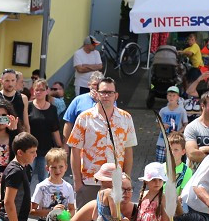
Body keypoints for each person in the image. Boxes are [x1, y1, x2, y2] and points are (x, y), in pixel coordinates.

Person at [68, 77, 137, 209]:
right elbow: (75, 150)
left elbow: (128, 150)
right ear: (97, 94)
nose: (106, 96)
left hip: (116, 182)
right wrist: (77, 182)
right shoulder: (84, 118)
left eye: (110, 92)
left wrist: (126, 178)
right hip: (89, 181)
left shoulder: (126, 118)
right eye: (103, 92)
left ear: (116, 95)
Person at [0, 132, 38, 221]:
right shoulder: (15, 171)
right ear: (20, 152)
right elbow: (8, 202)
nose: (35, 155)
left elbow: (1, 188)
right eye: (32, 152)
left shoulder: (22, 167)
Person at [26, 79, 63, 184]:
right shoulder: (28, 106)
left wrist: (60, 146)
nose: (38, 92)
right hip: (30, 148)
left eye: (42, 90)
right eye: (36, 90)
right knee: (27, 178)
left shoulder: (52, 109)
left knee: (45, 179)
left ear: (47, 91)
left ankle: (45, 200)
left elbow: (55, 129)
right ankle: (26, 200)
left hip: (46, 149)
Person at [31, 147, 76, 221]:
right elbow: (32, 211)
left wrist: (66, 216)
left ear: (66, 167)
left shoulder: (68, 187)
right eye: (53, 167)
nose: (57, 170)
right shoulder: (41, 187)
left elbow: (72, 209)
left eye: (61, 166)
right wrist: (52, 212)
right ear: (47, 168)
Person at [61, 71, 102, 139]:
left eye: (99, 84)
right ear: (89, 85)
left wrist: (99, 101)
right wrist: (65, 143)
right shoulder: (78, 100)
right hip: (80, 141)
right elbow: (68, 122)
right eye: (95, 84)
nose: (97, 87)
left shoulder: (109, 101)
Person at [156, 86, 187, 162]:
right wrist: (162, 126)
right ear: (167, 96)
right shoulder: (163, 110)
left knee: (174, 163)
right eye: (169, 95)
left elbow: (186, 125)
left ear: (178, 97)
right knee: (160, 163)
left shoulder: (181, 111)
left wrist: (178, 132)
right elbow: (157, 124)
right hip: (162, 141)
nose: (171, 97)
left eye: (174, 95)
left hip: (175, 142)